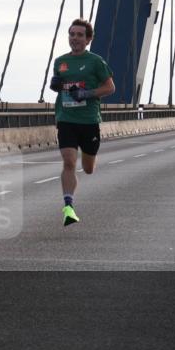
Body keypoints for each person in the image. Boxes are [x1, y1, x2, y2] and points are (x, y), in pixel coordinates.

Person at [49, 18, 115, 226]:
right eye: (72, 34)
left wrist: (87, 93)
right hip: (66, 118)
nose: (75, 38)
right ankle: (68, 207)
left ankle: (88, 163)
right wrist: (56, 85)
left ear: (88, 40)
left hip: (88, 120)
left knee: (88, 168)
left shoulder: (95, 61)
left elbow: (110, 87)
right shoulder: (60, 62)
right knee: (69, 162)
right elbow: (59, 84)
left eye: (79, 35)